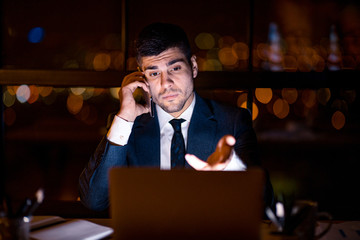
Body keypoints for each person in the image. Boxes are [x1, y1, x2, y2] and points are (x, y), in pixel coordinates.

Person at [79, 22, 274, 211]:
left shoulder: (232, 121)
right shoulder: (127, 125)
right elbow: (94, 201)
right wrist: (125, 120)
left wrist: (232, 168)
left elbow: (263, 202)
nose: (166, 84)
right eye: (154, 73)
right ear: (143, 78)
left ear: (194, 67)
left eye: (175, 68)